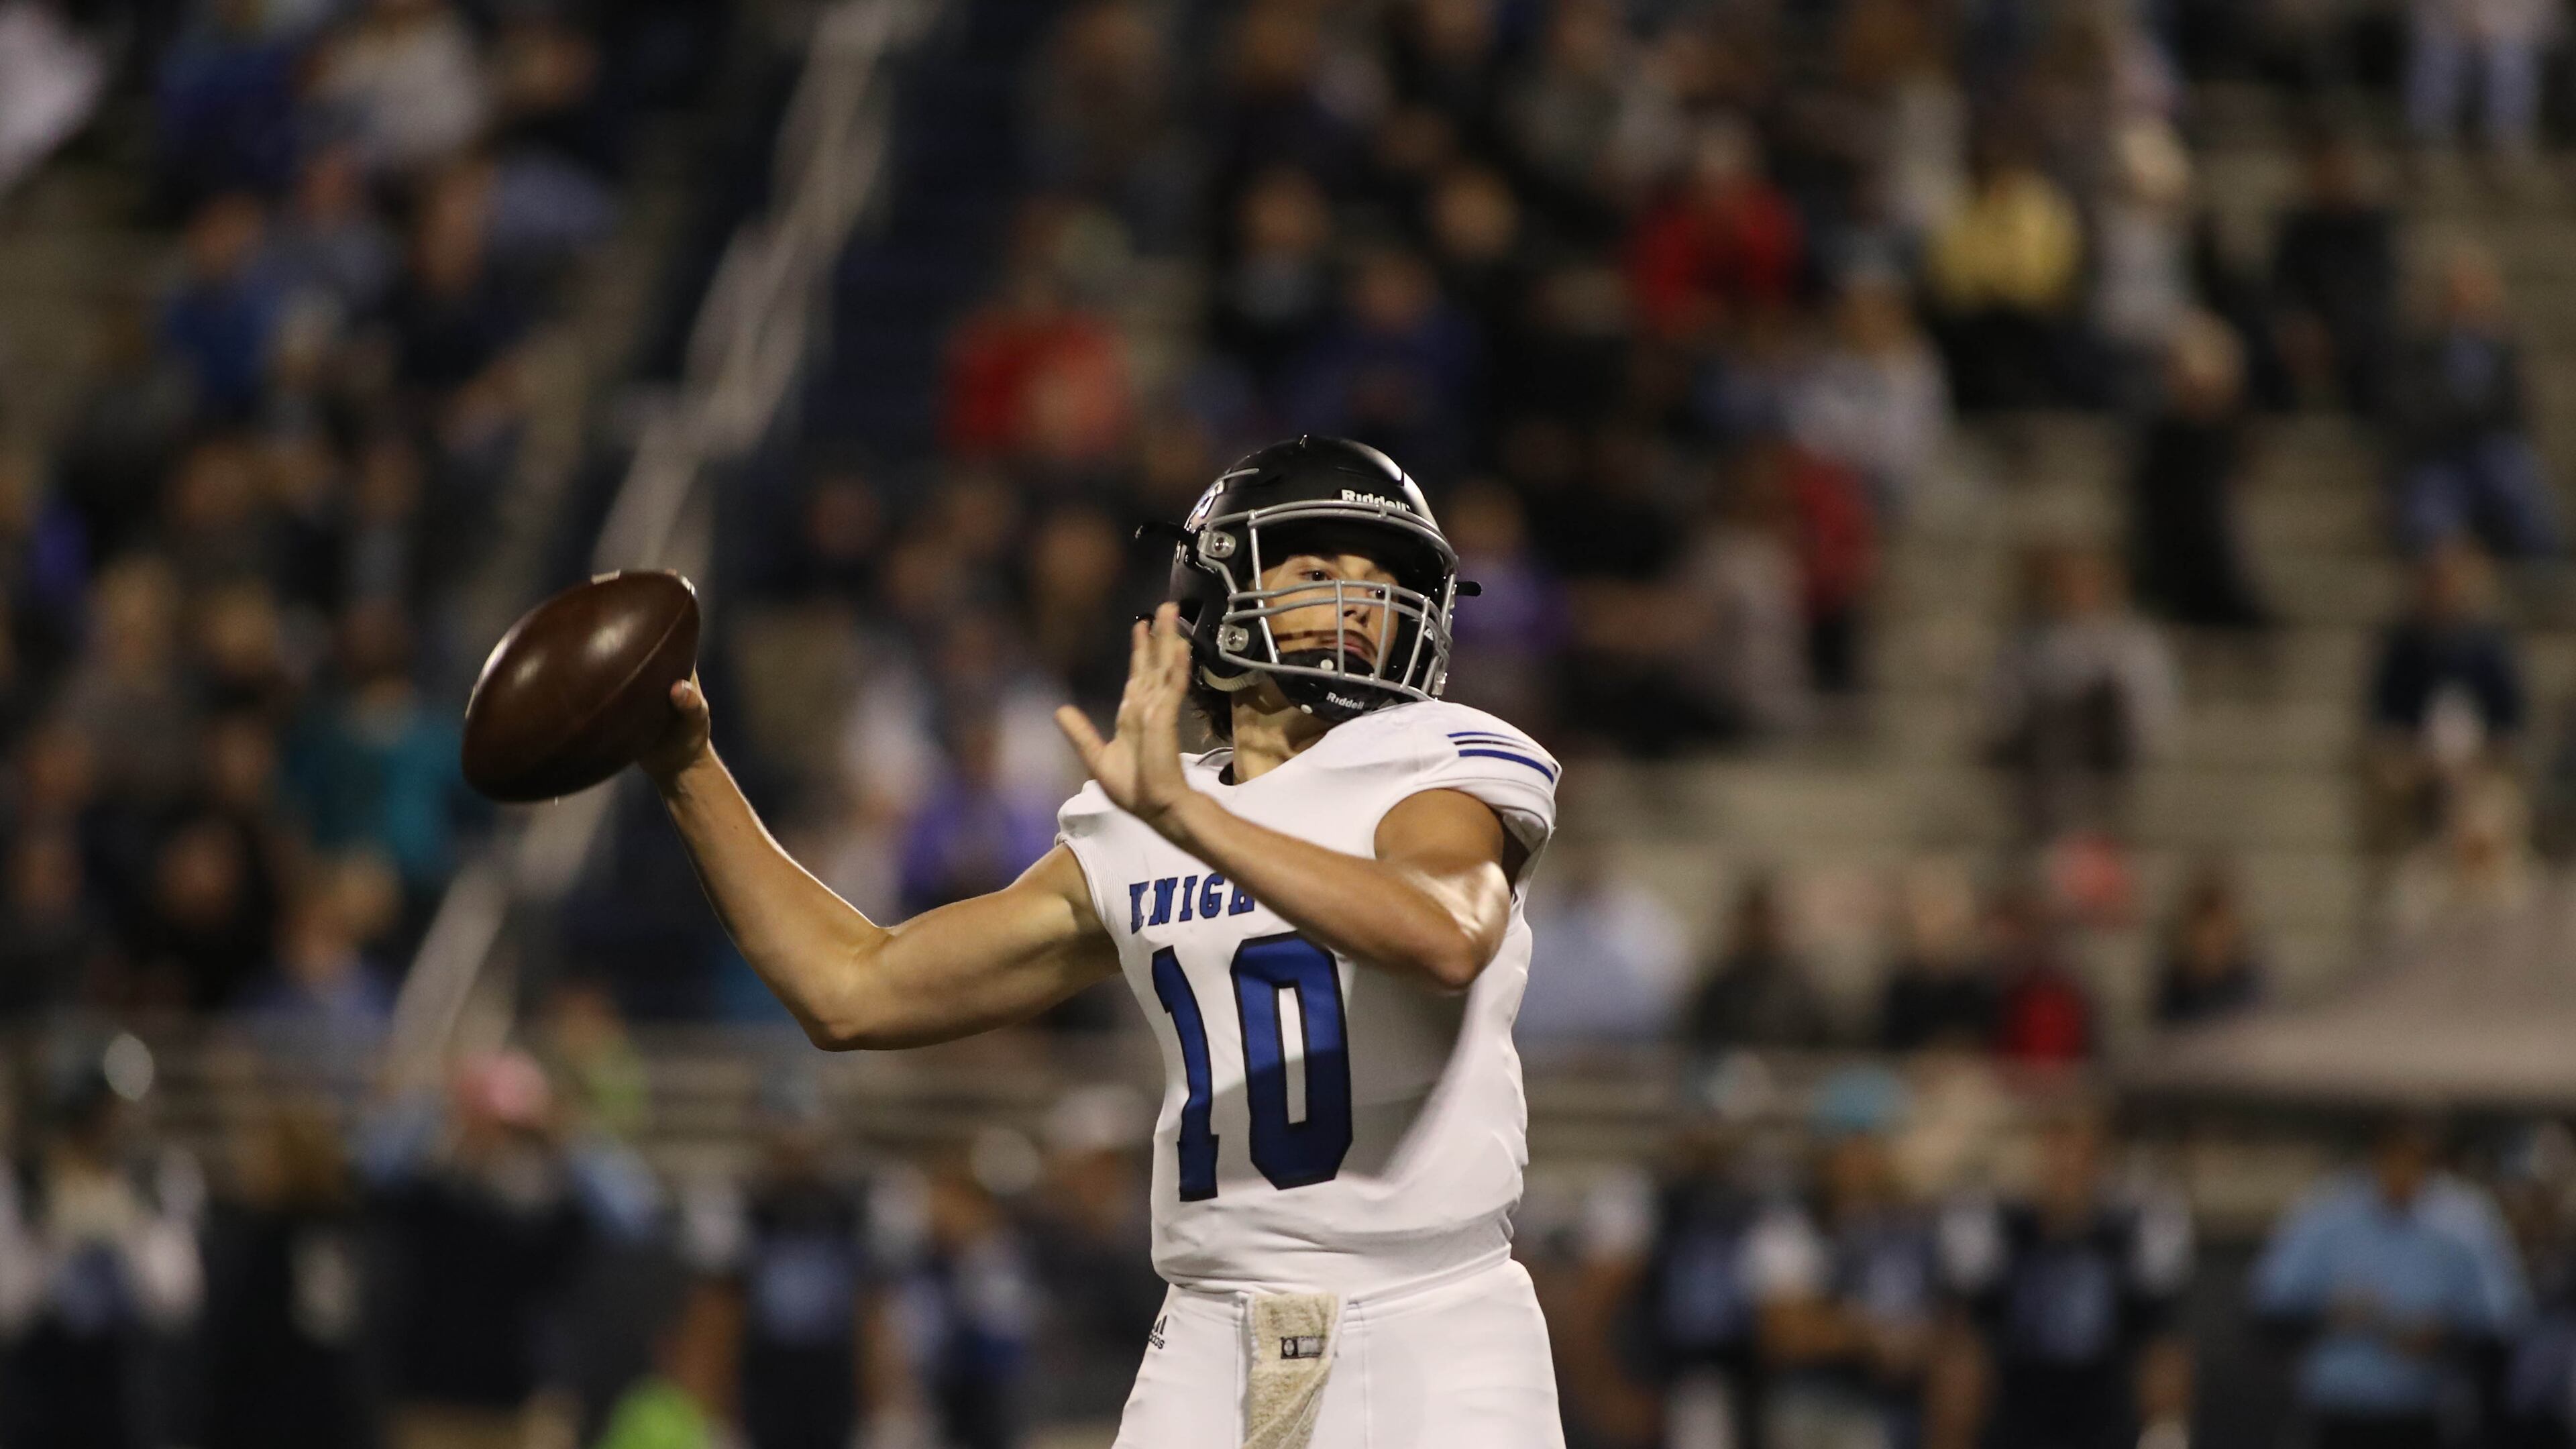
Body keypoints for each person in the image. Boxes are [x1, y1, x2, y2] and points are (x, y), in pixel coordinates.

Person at [640, 436, 1568, 1444]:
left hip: (1432, 1319)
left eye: (1384, 579)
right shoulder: (1138, 825)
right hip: (1212, 1330)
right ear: (1218, 592)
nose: (1361, 604)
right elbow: (853, 990)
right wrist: (685, 766)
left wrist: (1189, 818)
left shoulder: (1434, 761)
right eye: (1317, 572)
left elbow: (1444, 932)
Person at [2252, 1114, 2528, 1449]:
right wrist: (2331, 1317)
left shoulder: (2466, 1218)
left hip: (2430, 1417)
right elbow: (2268, 1313)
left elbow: (2504, 1326)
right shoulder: (2324, 1212)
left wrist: (2443, 1338)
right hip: (2338, 1415)